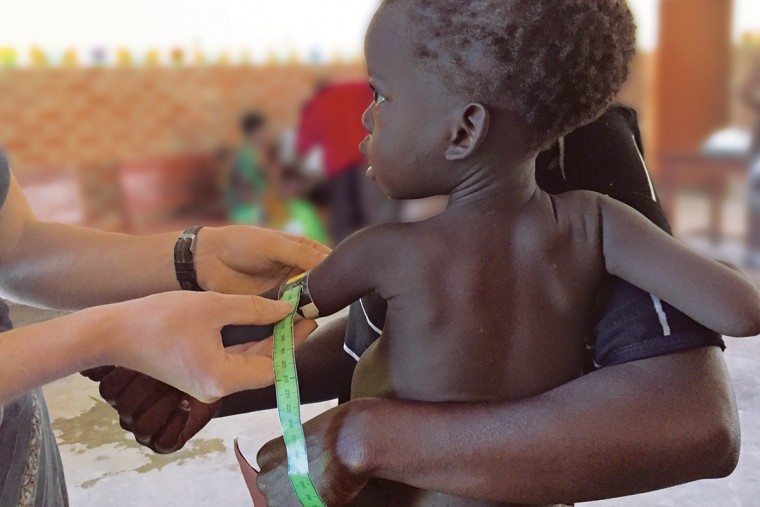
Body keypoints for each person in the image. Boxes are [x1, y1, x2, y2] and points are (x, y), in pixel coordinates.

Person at [95, 8, 743, 507]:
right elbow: (376, 341)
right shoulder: (428, 138)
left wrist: (368, 438)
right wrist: (226, 372)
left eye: (382, 95)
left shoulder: (570, 146)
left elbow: (692, 419)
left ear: (466, 128)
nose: (368, 117)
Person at [0, 151, 328, 506]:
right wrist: (108, 334)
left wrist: (198, 257)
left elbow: (14, 244)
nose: (365, 116)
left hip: (17, 445)